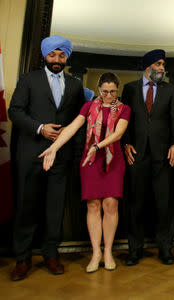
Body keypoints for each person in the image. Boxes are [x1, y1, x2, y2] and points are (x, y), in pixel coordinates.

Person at [8, 35, 85, 280]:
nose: (57, 59)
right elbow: (15, 111)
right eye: (53, 55)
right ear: (45, 55)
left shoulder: (75, 85)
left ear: (66, 58)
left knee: (55, 208)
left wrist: (73, 152)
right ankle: (22, 258)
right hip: (30, 155)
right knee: (26, 207)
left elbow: (78, 122)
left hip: (61, 158)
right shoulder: (28, 80)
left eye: (62, 55)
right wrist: (40, 128)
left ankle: (51, 255)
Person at [39, 73, 130, 273]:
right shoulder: (88, 106)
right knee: (93, 204)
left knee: (111, 204)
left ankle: (108, 252)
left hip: (112, 158)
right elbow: (72, 128)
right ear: (99, 90)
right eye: (105, 91)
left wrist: (98, 146)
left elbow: (118, 134)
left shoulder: (124, 109)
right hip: (90, 161)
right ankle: (96, 252)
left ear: (117, 90)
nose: (108, 96)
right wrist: (54, 148)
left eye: (112, 92)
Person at [122, 49, 174, 265]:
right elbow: (124, 119)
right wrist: (126, 143)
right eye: (158, 64)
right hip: (136, 155)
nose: (162, 68)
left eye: (163, 65)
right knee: (135, 204)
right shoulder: (129, 89)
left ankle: (165, 249)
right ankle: (134, 250)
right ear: (148, 67)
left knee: (163, 204)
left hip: (163, 156)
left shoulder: (170, 90)